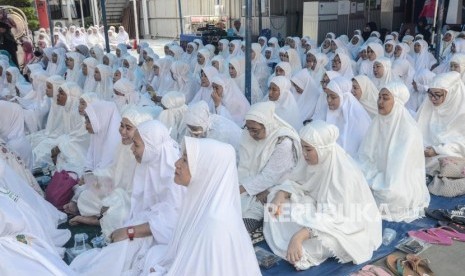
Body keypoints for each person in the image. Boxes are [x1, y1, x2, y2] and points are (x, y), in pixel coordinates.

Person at [70, 120, 185, 275]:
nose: (131, 148)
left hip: (163, 238)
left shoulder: (174, 176)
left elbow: (168, 224)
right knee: (118, 245)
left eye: (136, 145)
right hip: (146, 223)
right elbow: (140, 204)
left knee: (124, 247)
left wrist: (129, 231)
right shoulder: (149, 163)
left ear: (152, 148)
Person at [264, 120, 381, 270]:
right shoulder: (311, 161)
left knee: (323, 243)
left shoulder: (344, 175)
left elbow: (339, 218)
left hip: (346, 225)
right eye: (303, 148)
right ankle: (295, 243)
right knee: (276, 200)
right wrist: (280, 194)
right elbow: (297, 182)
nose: (304, 154)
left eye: (308, 149)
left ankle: (298, 246)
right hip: (317, 211)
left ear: (322, 149)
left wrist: (300, 236)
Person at [144, 137, 261, 275]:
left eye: (186, 160)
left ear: (206, 170)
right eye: (181, 157)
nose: (177, 163)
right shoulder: (203, 206)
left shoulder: (214, 227)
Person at [358, 81, 430, 222]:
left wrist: (372, 181)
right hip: (376, 174)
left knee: (392, 197)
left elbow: (397, 174)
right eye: (379, 97)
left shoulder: (409, 130)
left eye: (385, 98)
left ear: (396, 101)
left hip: (397, 181)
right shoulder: (377, 121)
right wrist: (367, 174)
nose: (380, 102)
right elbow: (365, 156)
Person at [239, 102, 301, 232]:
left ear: (267, 125)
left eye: (255, 130)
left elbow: (269, 176)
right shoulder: (249, 132)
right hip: (250, 183)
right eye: (248, 128)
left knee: (257, 207)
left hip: (276, 185)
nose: (250, 134)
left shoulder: (283, 142)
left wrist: (240, 189)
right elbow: (243, 164)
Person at [416, 71, 465, 176]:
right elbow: (417, 130)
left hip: (446, 154)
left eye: (437, 95)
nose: (432, 99)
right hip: (426, 153)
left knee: (444, 162)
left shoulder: (462, 112)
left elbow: (462, 144)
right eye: (430, 95)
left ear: (451, 93)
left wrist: (437, 150)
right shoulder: (428, 105)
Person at [323, 76, 371, 158]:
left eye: (333, 97)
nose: (329, 100)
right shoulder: (329, 110)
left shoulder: (359, 119)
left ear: (343, 97)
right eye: (327, 96)